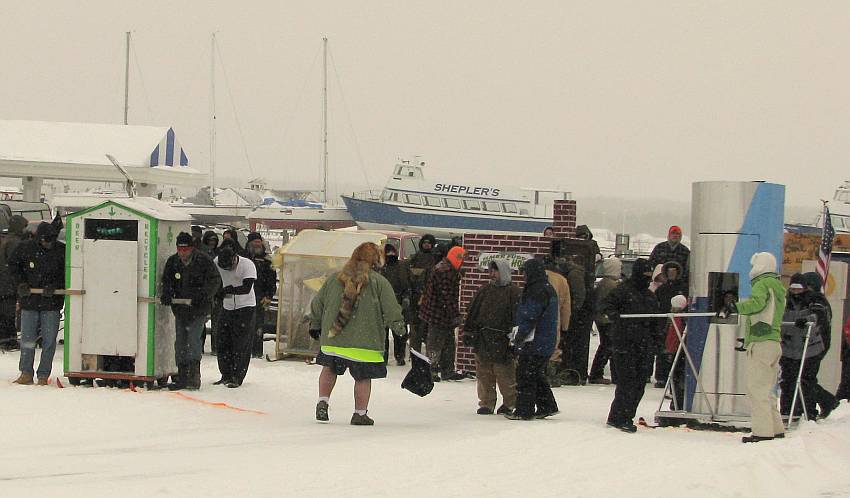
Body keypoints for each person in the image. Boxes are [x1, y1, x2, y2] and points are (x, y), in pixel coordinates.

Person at [309, 242, 405, 425]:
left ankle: (323, 401)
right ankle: (360, 414)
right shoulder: (379, 282)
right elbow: (391, 309)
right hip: (365, 342)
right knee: (362, 377)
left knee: (329, 369)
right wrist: (399, 327)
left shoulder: (335, 278)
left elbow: (317, 303)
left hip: (333, 338)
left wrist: (315, 323)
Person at [726, 252, 786, 443]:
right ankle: (776, 428)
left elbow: (757, 305)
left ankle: (762, 432)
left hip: (761, 343)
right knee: (767, 389)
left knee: (756, 389)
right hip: (774, 342)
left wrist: (735, 307)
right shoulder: (777, 286)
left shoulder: (762, 283)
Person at [603, 258, 660, 433]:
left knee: (639, 383)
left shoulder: (650, 296)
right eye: (645, 275)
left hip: (644, 345)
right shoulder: (623, 291)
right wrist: (615, 316)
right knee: (627, 382)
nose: (647, 279)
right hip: (625, 343)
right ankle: (622, 417)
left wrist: (656, 341)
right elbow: (606, 306)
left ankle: (622, 415)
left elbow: (656, 322)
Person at [160, 232, 221, 390]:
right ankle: (181, 375)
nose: (182, 253)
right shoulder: (173, 262)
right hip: (180, 310)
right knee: (180, 342)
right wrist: (167, 293)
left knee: (193, 340)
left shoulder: (203, 261)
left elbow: (214, 280)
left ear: (192, 248)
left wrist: (204, 295)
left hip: (198, 309)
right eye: (180, 249)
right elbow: (167, 280)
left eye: (185, 249)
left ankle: (194, 376)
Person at [8, 222, 65, 385]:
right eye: (46, 240)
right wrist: (20, 284)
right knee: (27, 339)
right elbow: (13, 267)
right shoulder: (24, 249)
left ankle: (43, 375)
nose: (49, 243)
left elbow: (66, 273)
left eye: (52, 240)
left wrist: (55, 286)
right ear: (39, 238)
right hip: (30, 301)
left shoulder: (61, 250)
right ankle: (26, 372)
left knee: (49, 341)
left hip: (51, 303)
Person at [463, 259, 521, 415]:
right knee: (484, 374)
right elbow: (473, 312)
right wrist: (468, 332)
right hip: (483, 338)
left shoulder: (514, 292)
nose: (492, 274)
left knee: (505, 374)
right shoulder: (484, 291)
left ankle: (510, 403)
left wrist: (514, 339)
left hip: (503, 340)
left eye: (496, 271)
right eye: (491, 271)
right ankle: (486, 402)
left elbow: (518, 318)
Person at [778, 273, 839, 419]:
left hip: (812, 346)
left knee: (805, 379)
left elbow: (820, 316)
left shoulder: (816, 299)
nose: (796, 292)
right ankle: (791, 409)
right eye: (793, 289)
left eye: (800, 288)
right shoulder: (786, 300)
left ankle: (810, 409)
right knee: (791, 379)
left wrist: (807, 320)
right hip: (790, 347)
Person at [505, 258, 559, 420]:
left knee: (525, 375)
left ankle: (524, 411)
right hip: (546, 341)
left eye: (525, 273)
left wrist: (517, 338)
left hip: (535, 342)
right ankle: (547, 406)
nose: (523, 276)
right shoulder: (547, 288)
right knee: (536, 374)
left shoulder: (536, 291)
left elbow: (528, 317)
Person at [419, 246, 466, 381]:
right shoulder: (445, 271)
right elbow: (447, 297)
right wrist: (455, 315)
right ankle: (433, 370)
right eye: (461, 259)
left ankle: (444, 370)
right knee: (437, 343)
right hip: (438, 315)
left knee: (445, 343)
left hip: (438, 313)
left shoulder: (444, 268)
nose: (462, 263)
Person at [213, 245, 257, 388]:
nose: (227, 270)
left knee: (241, 343)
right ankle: (225, 374)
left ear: (234, 258)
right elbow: (213, 280)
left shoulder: (247, 265)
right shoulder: (216, 263)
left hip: (245, 306)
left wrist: (230, 290)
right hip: (227, 306)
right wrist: (217, 292)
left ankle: (237, 376)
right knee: (223, 340)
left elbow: (246, 288)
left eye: (229, 266)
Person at [652, 261, 687, 388]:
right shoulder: (661, 289)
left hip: (678, 322)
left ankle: (674, 378)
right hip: (664, 322)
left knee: (676, 349)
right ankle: (661, 377)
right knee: (662, 349)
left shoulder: (683, 287)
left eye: (674, 271)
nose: (672, 274)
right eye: (669, 271)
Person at [589, 257, 622, 385]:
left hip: (602, 318)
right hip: (606, 320)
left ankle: (608, 374)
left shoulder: (604, 283)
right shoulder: (610, 284)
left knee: (607, 346)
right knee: (607, 346)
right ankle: (597, 373)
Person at [560, 254, 592, 385]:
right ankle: (578, 373)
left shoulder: (574, 274)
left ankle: (576, 374)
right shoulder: (576, 273)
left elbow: (579, 296)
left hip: (580, 316)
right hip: (582, 315)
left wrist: (571, 312)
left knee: (575, 344)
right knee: (578, 345)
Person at [379, 243, 411, 365]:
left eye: (393, 253)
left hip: (398, 303)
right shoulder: (381, 269)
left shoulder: (402, 267)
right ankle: (384, 356)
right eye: (389, 254)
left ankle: (400, 356)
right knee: (383, 334)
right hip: (383, 305)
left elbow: (407, 284)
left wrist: (406, 297)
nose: (391, 256)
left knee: (399, 333)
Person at [246, 232, 276, 358]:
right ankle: (245, 350)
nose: (257, 244)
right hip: (245, 297)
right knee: (245, 325)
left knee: (258, 325)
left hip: (260, 297)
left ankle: (257, 351)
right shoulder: (243, 257)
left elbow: (272, 280)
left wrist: (269, 295)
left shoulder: (268, 260)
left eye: (259, 241)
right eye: (255, 242)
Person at [406, 234, 437, 354]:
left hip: (431, 300)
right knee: (416, 328)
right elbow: (410, 277)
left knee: (429, 330)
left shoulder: (436, 258)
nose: (427, 245)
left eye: (429, 243)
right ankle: (415, 353)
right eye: (424, 242)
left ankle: (429, 356)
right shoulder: (415, 258)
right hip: (416, 299)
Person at [0, 215, 28, 350]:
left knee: (5, 313)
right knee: (8, 313)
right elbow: (16, 264)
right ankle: (8, 340)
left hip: (4, 283)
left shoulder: (7, 240)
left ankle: (6, 338)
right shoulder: (15, 242)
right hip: (8, 284)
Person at [544, 257, 571, 387]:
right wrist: (565, 326)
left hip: (537, 317)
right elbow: (566, 305)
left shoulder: (536, 276)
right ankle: (550, 375)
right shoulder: (561, 280)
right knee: (553, 347)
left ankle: (537, 374)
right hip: (555, 317)